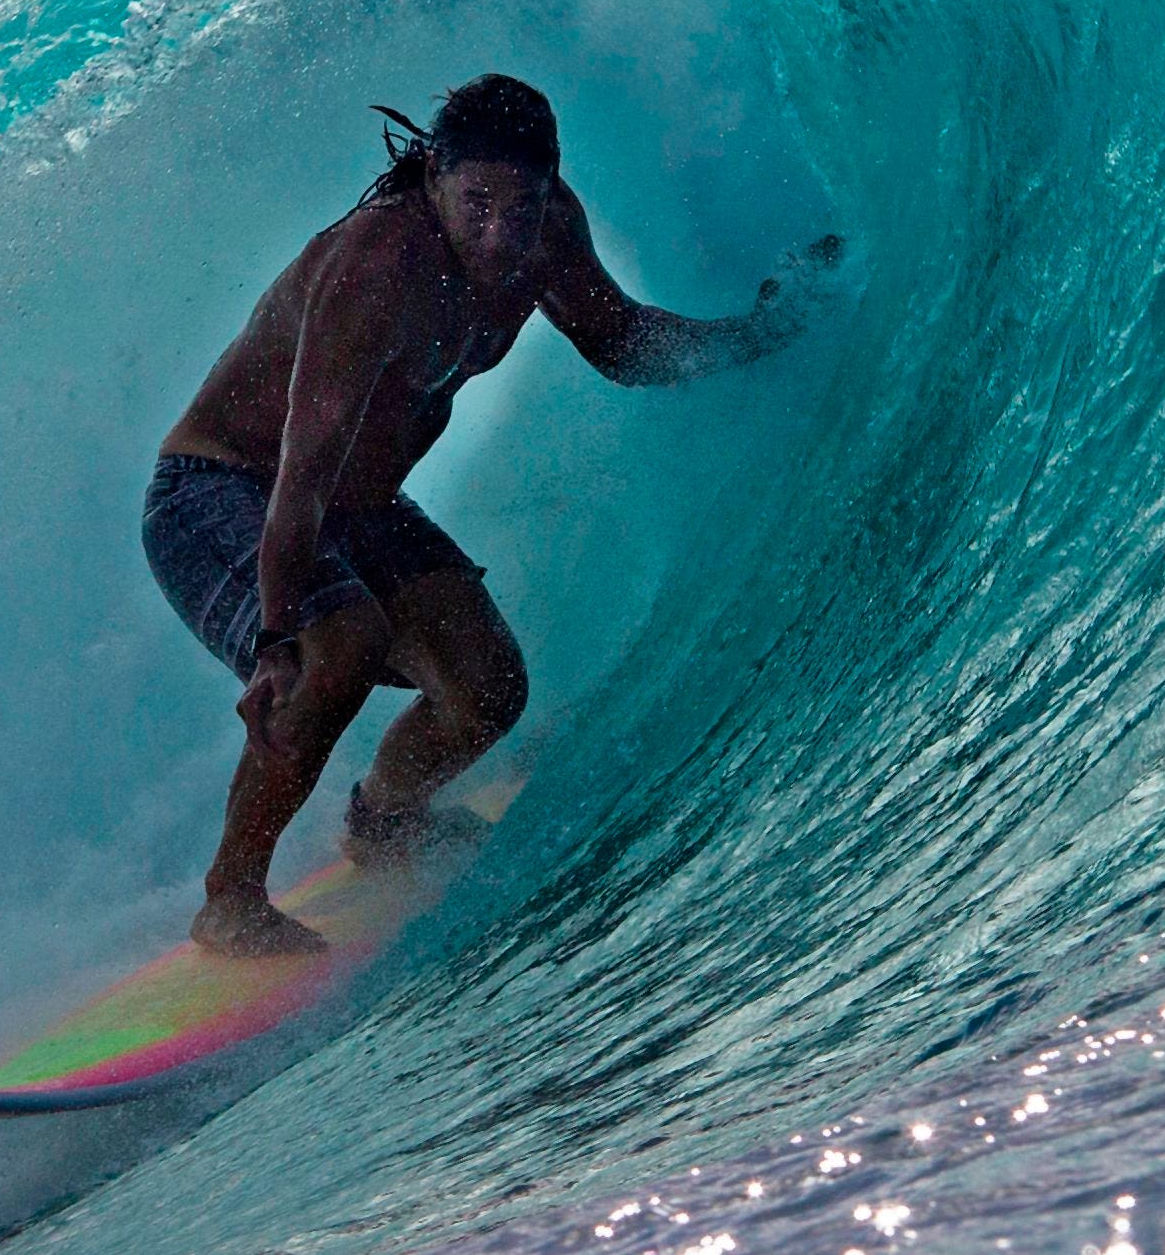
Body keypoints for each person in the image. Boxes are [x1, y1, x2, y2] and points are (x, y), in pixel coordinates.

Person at [140, 73, 837, 955]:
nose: (502, 234)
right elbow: (303, 477)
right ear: (434, 178)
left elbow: (619, 345)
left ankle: (385, 822)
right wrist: (279, 642)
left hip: (355, 504)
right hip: (226, 490)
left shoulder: (545, 231)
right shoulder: (375, 269)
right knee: (338, 644)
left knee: (487, 688)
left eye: (525, 205)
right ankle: (228, 901)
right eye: (477, 204)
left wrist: (747, 336)